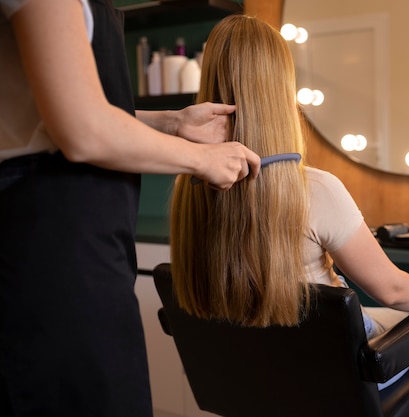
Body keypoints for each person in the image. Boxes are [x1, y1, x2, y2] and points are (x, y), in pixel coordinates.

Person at [169, 14, 409, 415]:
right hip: (331, 374)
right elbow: (394, 290)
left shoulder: (186, 188)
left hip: (264, 376)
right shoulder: (314, 189)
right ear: (279, 91)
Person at [0, 1, 260, 416]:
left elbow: (60, 108)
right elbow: (82, 130)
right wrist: (201, 159)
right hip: (51, 248)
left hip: (81, 240)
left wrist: (173, 123)